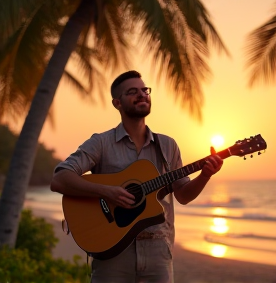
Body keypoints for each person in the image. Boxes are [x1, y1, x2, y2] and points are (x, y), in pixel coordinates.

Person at [50, 70, 223, 283]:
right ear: (117, 103)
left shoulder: (167, 145)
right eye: (132, 92)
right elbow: (60, 179)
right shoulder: (101, 143)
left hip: (158, 248)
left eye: (145, 90)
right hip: (112, 251)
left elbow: (183, 196)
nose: (142, 95)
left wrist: (205, 175)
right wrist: (107, 191)